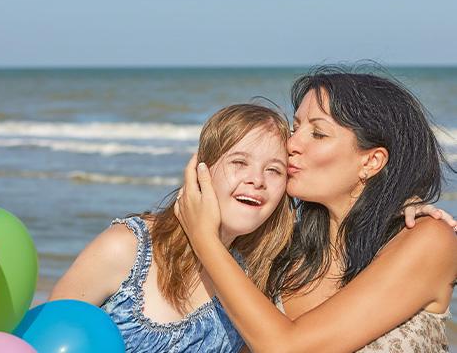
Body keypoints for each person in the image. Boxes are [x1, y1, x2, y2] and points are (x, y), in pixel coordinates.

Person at [175, 67, 457, 352]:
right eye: (296, 128)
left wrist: (205, 240)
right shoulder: (283, 250)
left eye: (318, 134)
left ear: (371, 162)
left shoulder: (428, 238)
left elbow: (289, 347)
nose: (292, 144)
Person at [49, 103, 295, 352]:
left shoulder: (255, 284)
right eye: (240, 162)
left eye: (274, 170)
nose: (257, 180)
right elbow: (48, 337)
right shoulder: (127, 248)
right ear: (202, 170)